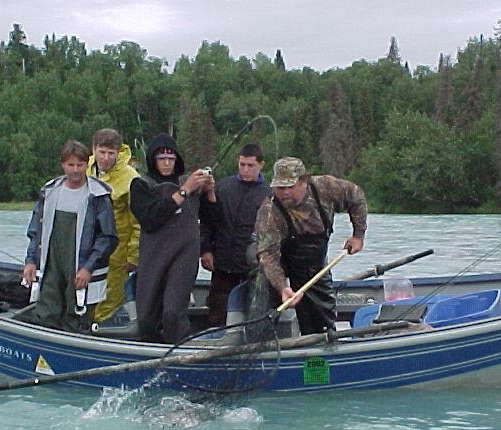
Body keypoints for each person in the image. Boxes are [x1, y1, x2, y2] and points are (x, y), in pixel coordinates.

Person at [254, 157, 367, 335]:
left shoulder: (326, 187)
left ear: (304, 182)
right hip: (279, 261)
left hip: (314, 264)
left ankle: (320, 354)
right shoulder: (269, 212)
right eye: (279, 188)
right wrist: (283, 287)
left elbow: (357, 197)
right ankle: (263, 343)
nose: (284, 193)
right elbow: (268, 255)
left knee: (321, 322)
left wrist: (358, 235)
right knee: (263, 294)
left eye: (289, 187)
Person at [22, 140, 118, 332]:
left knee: (77, 317)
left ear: (87, 164)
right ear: (63, 165)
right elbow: (36, 231)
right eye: (71, 165)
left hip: (81, 271)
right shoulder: (49, 192)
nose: (75, 170)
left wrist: (88, 268)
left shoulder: (98, 196)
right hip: (52, 269)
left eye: (80, 165)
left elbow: (108, 238)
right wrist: (30, 260)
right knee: (46, 313)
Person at [130, 133, 217, 343]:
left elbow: (212, 220)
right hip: (154, 258)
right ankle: (149, 351)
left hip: (184, 257)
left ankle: (179, 348)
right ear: (153, 159)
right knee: (146, 318)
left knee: (172, 313)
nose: (167, 162)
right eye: (161, 158)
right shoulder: (141, 185)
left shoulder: (191, 185)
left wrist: (210, 192)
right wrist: (184, 192)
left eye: (171, 158)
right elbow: (150, 219)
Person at [200, 144, 271, 327]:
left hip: (250, 267)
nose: (245, 169)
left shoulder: (268, 194)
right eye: (242, 165)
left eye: (250, 165)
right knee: (217, 312)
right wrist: (206, 250)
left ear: (261, 165)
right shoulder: (223, 187)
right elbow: (208, 221)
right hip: (222, 263)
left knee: (251, 312)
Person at [87, 128, 141, 322]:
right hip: (87, 247)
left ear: (118, 152)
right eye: (102, 152)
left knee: (110, 296)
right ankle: (83, 326)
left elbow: (137, 222)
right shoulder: (85, 168)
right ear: (94, 150)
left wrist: (133, 256)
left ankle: (102, 332)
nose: (106, 158)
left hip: (118, 251)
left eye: (111, 153)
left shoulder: (131, 178)